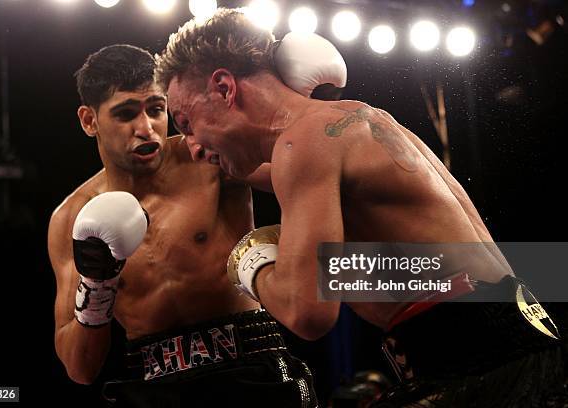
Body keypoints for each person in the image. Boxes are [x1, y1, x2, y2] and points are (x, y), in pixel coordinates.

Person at [156, 8, 568, 406]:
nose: (191, 147)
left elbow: (308, 314)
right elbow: (252, 171)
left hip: (483, 368)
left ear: (225, 88)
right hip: (504, 346)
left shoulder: (303, 145)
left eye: (187, 123)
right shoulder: (346, 123)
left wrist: (251, 261)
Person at [48, 42, 344, 407]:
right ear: (89, 121)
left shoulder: (209, 155)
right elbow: (80, 369)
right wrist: (97, 286)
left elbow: (313, 167)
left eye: (156, 110)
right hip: (153, 383)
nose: (146, 129)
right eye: (125, 114)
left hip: (250, 362)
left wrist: (314, 108)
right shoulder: (70, 219)